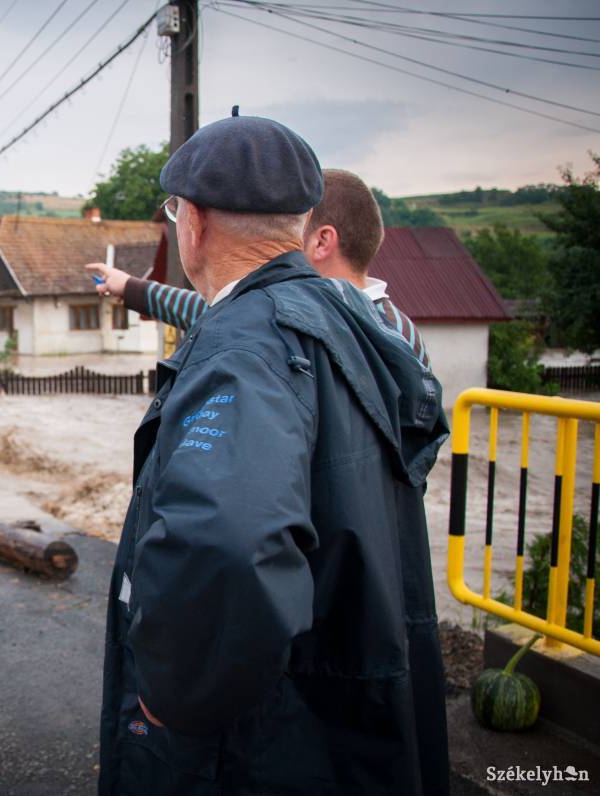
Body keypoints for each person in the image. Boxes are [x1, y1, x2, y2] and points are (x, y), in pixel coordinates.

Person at [96, 114, 450, 794]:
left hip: (260, 743)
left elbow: (229, 539)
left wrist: (174, 690)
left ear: (192, 221)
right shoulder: (355, 324)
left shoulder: (245, 348)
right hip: (346, 708)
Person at [86, 169, 430, 368]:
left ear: (322, 242)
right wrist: (129, 286)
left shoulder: (341, 329)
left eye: (290, 232)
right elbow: (212, 310)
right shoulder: (399, 328)